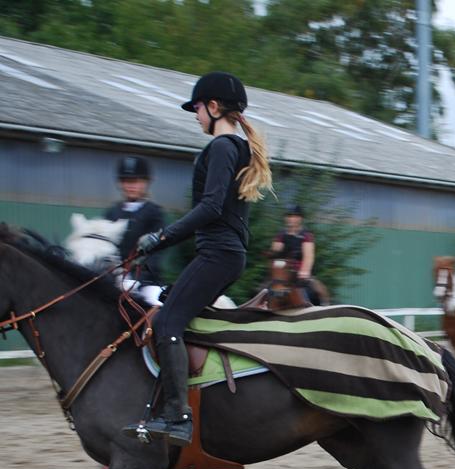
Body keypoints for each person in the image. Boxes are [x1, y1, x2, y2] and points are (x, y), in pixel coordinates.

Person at [122, 71, 272, 446]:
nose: (196, 115)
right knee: (171, 306)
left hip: (218, 254)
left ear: (215, 107)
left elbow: (210, 207)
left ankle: (178, 418)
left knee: (167, 322)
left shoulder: (222, 148)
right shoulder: (236, 148)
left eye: (198, 108)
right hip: (225, 254)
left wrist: (160, 238)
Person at [104, 155, 166, 304]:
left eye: (136, 181)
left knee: (157, 303)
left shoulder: (154, 213)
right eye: (125, 181)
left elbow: (156, 253)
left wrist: (137, 280)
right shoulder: (112, 213)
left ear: (145, 183)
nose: (130, 186)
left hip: (145, 283)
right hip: (113, 279)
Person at [270, 204, 321, 305]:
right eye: (288, 216)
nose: (290, 219)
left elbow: (308, 256)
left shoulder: (306, 235)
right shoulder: (281, 234)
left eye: (294, 216)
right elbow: (275, 254)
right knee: (262, 289)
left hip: (298, 272)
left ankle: (318, 308)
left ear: (300, 218)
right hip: (283, 271)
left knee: (315, 291)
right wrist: (274, 253)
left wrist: (304, 271)